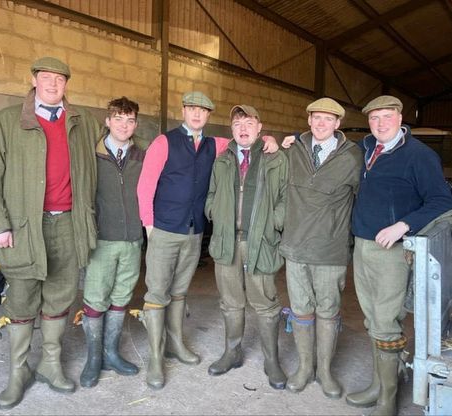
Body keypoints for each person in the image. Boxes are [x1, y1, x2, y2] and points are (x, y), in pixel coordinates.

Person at [0, 57, 100, 410]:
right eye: (45, 78)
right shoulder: (6, 122)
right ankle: (19, 372)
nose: (52, 84)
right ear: (33, 80)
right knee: (22, 298)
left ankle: (49, 364)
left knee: (61, 296)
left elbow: (119, 142)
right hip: (22, 226)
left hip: (68, 223)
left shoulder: (81, 122)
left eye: (59, 79)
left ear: (66, 84)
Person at [136, 91, 278, 389]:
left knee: (179, 291)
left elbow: (247, 141)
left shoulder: (216, 145)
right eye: (192, 109)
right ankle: (155, 358)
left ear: (209, 115)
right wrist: (148, 225)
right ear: (183, 111)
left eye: (203, 110)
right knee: (156, 294)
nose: (197, 114)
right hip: (163, 228)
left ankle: (176, 345)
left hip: (194, 230)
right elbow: (146, 184)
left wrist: (273, 140)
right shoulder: (165, 142)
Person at [346, 95, 452, 415]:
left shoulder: (419, 155)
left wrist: (402, 226)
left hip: (391, 250)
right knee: (371, 318)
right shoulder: (365, 149)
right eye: (374, 118)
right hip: (362, 244)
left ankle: (387, 400)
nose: (380, 123)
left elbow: (441, 200)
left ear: (400, 116)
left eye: (386, 117)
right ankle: (380, 385)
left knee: (386, 321)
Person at [279, 97, 362, 399]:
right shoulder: (294, 151)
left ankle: (324, 371)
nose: (321, 123)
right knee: (301, 310)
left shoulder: (353, 157)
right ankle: (304, 368)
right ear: (309, 120)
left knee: (327, 311)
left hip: (331, 250)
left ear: (338, 124)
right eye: (316, 118)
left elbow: (364, 201)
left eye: (328, 119)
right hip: (296, 248)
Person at [205, 104, 288, 390]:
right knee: (230, 302)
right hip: (227, 240)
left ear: (259, 128)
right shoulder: (222, 159)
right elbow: (212, 192)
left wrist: (274, 223)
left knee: (265, 303)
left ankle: (272, 359)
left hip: (261, 242)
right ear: (231, 129)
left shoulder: (275, 159)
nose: (243, 128)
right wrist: (213, 211)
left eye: (249, 122)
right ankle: (232, 352)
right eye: (238, 123)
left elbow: (286, 197)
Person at [79, 97, 145, 388]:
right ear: (107, 121)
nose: (124, 125)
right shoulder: (91, 154)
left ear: (136, 124)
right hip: (102, 238)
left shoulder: (142, 156)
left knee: (121, 297)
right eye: (118, 118)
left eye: (130, 120)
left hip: (132, 239)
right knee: (96, 297)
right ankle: (93, 359)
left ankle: (111, 353)